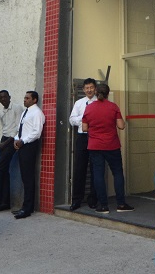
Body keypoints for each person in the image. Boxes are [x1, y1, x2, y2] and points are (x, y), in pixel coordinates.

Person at [83, 82, 133, 213]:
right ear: (107, 94)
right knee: (117, 173)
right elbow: (121, 126)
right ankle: (121, 204)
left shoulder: (89, 108)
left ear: (96, 92)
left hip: (94, 146)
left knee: (98, 174)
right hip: (112, 145)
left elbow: (84, 128)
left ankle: (103, 206)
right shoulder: (113, 107)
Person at [13, 90, 44, 219]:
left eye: (27, 98)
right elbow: (21, 129)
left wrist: (23, 141)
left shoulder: (37, 113)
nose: (24, 100)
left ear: (34, 100)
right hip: (21, 145)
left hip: (29, 146)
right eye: (24, 97)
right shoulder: (25, 112)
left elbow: (36, 132)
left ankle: (28, 208)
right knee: (25, 177)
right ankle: (24, 206)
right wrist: (16, 139)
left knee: (28, 177)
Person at [68, 78, 98, 211]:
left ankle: (93, 199)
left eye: (91, 87)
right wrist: (85, 117)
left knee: (95, 169)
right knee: (79, 168)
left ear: (95, 89)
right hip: (82, 137)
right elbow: (72, 119)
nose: (89, 90)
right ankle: (76, 200)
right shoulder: (79, 103)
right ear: (83, 89)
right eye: (87, 88)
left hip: (96, 137)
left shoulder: (100, 102)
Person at [0, 89, 19, 212]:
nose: (3, 99)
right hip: (4, 139)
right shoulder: (2, 113)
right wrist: (2, 141)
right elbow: (5, 128)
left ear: (9, 97)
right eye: (1, 98)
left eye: (5, 97)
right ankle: (4, 202)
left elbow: (18, 128)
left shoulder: (17, 108)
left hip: (12, 141)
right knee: (4, 171)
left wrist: (5, 143)